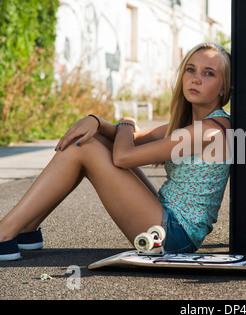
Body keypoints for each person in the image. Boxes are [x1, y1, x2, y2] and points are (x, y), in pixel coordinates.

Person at [0, 42, 232, 261]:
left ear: (223, 87)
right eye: (191, 70)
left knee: (86, 147)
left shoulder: (208, 132)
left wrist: (126, 121)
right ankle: (27, 229)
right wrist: (98, 123)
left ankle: (4, 232)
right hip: (166, 218)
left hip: (173, 235)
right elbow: (128, 138)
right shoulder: (192, 125)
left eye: (208, 73)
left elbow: (123, 156)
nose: (196, 79)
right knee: (92, 139)